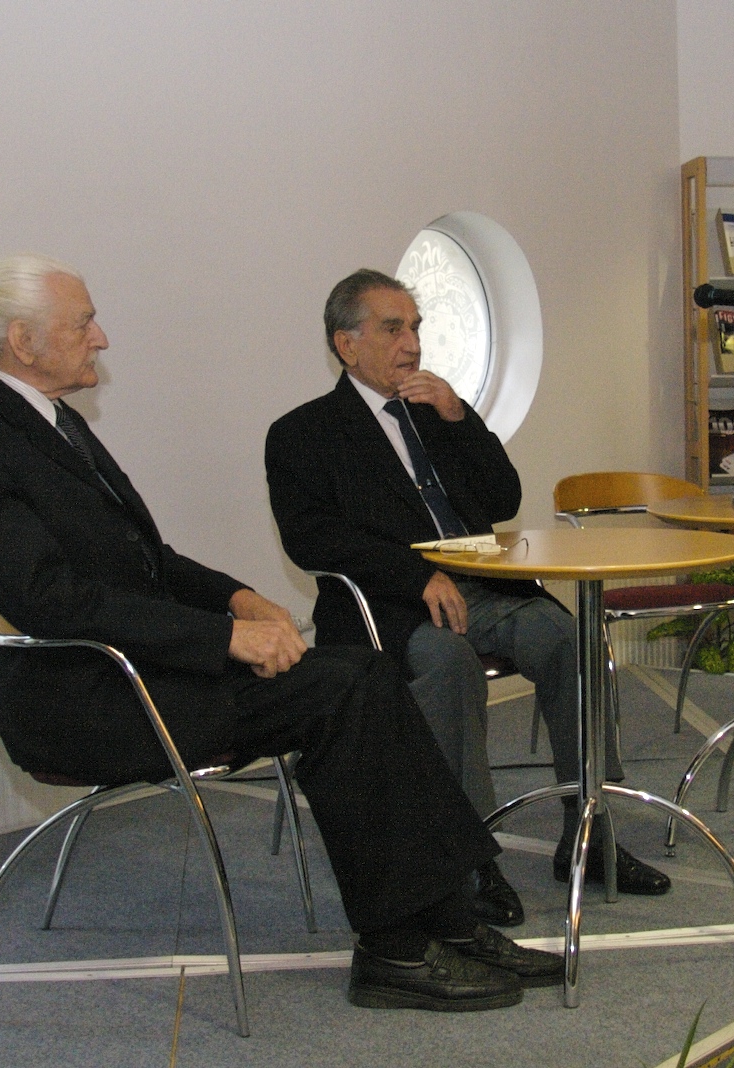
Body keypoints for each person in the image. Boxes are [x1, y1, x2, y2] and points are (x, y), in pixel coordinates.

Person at [0, 254, 559, 1012]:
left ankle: (448, 918)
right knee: (344, 692)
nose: (102, 338)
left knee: (366, 674)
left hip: (144, 671)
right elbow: (50, 599)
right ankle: (396, 948)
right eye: (83, 323)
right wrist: (223, 639)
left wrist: (239, 597)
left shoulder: (51, 421)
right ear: (23, 341)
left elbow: (149, 562)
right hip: (84, 696)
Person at [265, 269, 672, 922]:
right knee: (449, 664)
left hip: (482, 589)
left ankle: (589, 830)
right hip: (388, 606)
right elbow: (311, 538)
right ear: (346, 344)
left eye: (415, 328)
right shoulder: (303, 433)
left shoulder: (438, 413)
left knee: (569, 639)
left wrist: (458, 418)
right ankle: (469, 858)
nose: (412, 344)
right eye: (393, 329)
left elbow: (502, 499)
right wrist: (415, 576)